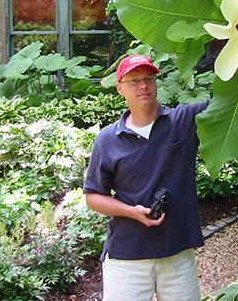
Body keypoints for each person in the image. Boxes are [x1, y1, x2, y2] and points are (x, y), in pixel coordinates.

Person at [83, 54, 208, 301]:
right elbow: (93, 197)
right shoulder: (108, 139)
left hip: (177, 255)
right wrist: (131, 212)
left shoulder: (183, 122)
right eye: (134, 80)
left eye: (149, 79)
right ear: (120, 88)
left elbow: (228, 101)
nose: (143, 86)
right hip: (128, 257)